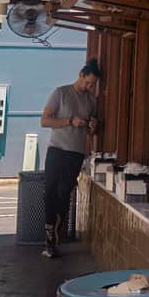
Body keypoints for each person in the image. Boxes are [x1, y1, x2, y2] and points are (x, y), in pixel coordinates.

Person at [40, 58, 100, 258]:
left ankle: (54, 237)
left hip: (75, 153)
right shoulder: (61, 93)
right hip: (57, 149)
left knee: (64, 193)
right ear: (81, 75)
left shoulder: (91, 101)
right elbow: (44, 120)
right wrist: (69, 121)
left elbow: (92, 132)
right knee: (50, 191)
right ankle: (49, 231)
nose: (89, 87)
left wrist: (92, 127)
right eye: (88, 82)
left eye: (93, 85)